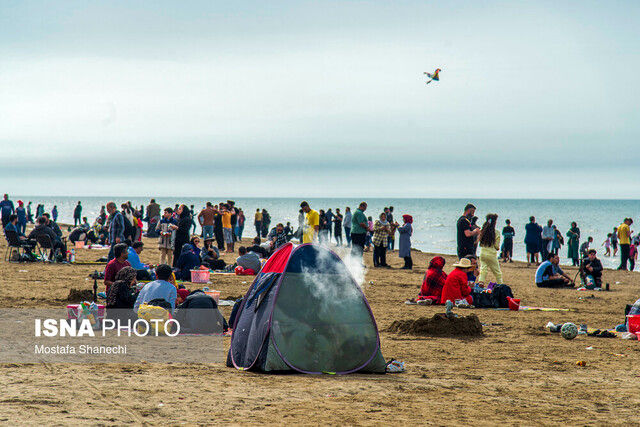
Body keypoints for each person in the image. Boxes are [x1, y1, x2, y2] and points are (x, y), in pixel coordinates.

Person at [478, 213, 503, 284]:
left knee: (483, 269)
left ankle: (481, 282)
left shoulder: (483, 231)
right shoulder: (496, 232)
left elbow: (480, 243)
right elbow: (496, 246)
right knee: (497, 272)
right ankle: (500, 285)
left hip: (483, 253)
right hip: (491, 254)